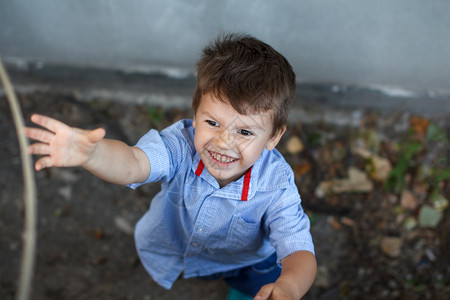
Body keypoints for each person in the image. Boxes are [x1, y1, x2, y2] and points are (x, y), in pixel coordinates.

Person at [25, 33, 316, 299]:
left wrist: (288, 288)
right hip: (178, 249)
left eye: (244, 132)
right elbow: (134, 163)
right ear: (195, 112)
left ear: (274, 137)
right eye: (212, 123)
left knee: (256, 291)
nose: (223, 142)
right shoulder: (180, 145)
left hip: (250, 265)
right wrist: (92, 154)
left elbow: (299, 250)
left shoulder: (276, 187)